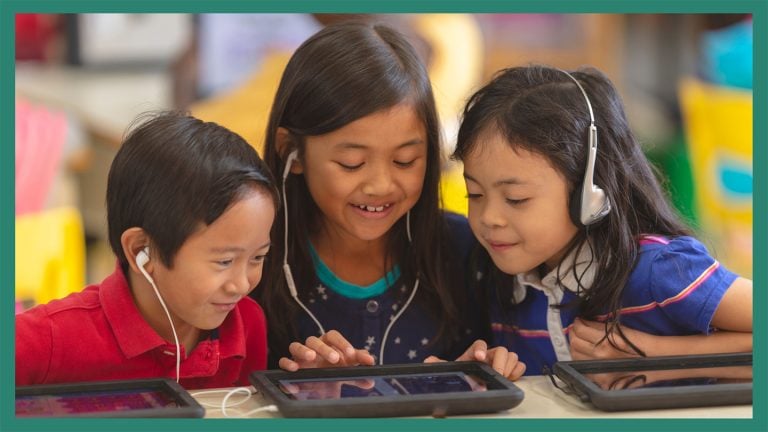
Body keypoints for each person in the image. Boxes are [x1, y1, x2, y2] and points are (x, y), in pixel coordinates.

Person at [254, 22, 525, 380]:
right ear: (291, 150)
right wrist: (301, 389)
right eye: (352, 163)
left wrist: (478, 377)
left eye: (405, 161)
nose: (381, 185)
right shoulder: (252, 262)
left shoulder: (470, 252)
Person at [451, 65, 753, 375]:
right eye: (474, 194)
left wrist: (657, 357)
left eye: (516, 199)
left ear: (589, 191)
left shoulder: (660, 270)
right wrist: (489, 370)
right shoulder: (503, 281)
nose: (489, 217)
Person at [15, 111, 278, 389]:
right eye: (224, 261)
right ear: (143, 249)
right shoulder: (53, 337)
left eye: (258, 257)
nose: (241, 284)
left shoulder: (247, 324)